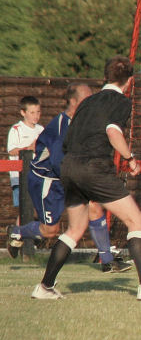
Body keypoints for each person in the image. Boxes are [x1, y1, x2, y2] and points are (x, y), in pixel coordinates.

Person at [30, 55, 141, 301]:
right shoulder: (120, 101)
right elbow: (112, 132)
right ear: (129, 81)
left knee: (76, 229)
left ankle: (45, 287)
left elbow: (69, 139)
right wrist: (130, 159)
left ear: (105, 78)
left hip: (69, 166)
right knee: (137, 220)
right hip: (93, 167)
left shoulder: (87, 102)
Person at [6, 83, 130, 272]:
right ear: (73, 102)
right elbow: (57, 161)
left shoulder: (83, 123)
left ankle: (107, 261)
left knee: (94, 207)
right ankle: (17, 232)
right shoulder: (61, 126)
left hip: (68, 176)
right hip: (47, 181)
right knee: (50, 231)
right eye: (87, 99)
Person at [6, 96, 43, 226]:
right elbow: (11, 150)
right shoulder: (17, 129)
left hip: (37, 175)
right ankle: (17, 235)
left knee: (38, 209)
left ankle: (26, 236)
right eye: (32, 112)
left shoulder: (41, 130)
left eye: (38, 112)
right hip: (20, 176)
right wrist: (29, 148)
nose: (36, 116)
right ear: (23, 112)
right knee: (25, 209)